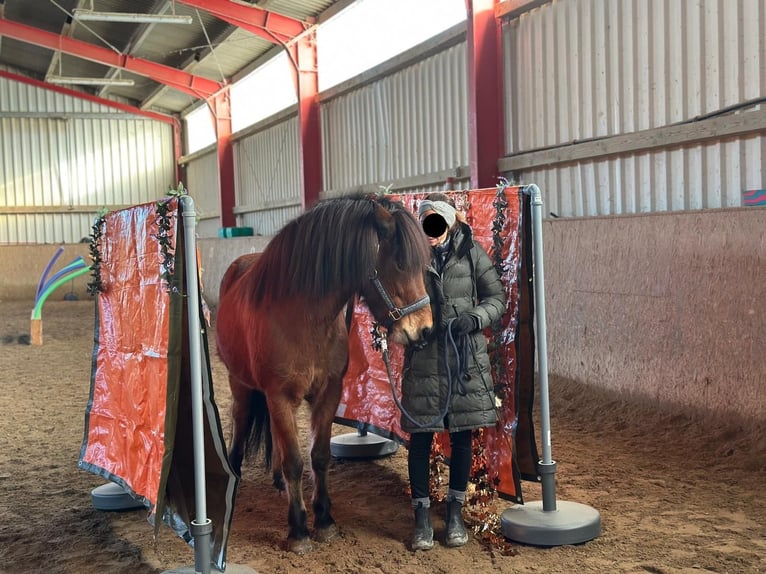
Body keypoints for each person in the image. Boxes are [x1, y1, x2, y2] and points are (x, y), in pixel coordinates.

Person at [401, 192, 506, 551]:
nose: (430, 228)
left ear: (449, 222)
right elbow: (395, 303)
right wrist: (409, 327)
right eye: (425, 220)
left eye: (436, 220)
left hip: (464, 360)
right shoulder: (409, 259)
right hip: (425, 361)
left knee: (461, 437)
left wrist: (475, 318)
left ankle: (456, 514)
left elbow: (497, 299)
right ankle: (421, 520)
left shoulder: (473, 254)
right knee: (420, 438)